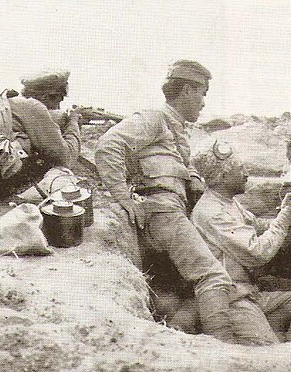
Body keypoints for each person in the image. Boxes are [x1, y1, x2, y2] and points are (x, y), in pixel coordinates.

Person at [95, 60, 240, 343]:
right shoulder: (154, 119)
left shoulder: (176, 131)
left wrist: (194, 178)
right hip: (163, 213)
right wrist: (123, 197)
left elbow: (176, 167)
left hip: (169, 215)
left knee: (182, 294)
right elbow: (108, 146)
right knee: (215, 278)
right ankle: (225, 349)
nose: (204, 102)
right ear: (186, 90)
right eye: (202, 93)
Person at [191, 140, 291, 341]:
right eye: (241, 169)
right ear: (223, 176)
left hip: (249, 293)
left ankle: (278, 343)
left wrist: (286, 211)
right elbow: (257, 253)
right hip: (232, 300)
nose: (246, 174)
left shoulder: (228, 203)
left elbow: (258, 225)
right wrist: (285, 216)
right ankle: (270, 347)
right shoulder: (211, 212)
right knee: (269, 352)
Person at [0, 70, 81, 206]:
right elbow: (66, 157)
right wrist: (73, 122)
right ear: (47, 96)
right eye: (59, 98)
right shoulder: (34, 107)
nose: (59, 105)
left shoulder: (6, 101)